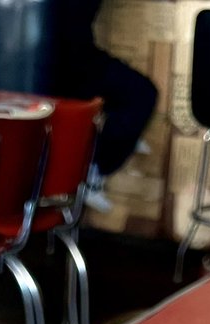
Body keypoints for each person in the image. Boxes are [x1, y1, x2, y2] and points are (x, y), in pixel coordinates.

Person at [54, 1, 158, 209]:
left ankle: (113, 137)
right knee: (141, 93)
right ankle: (100, 158)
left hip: (69, 60)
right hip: (69, 65)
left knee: (133, 93)